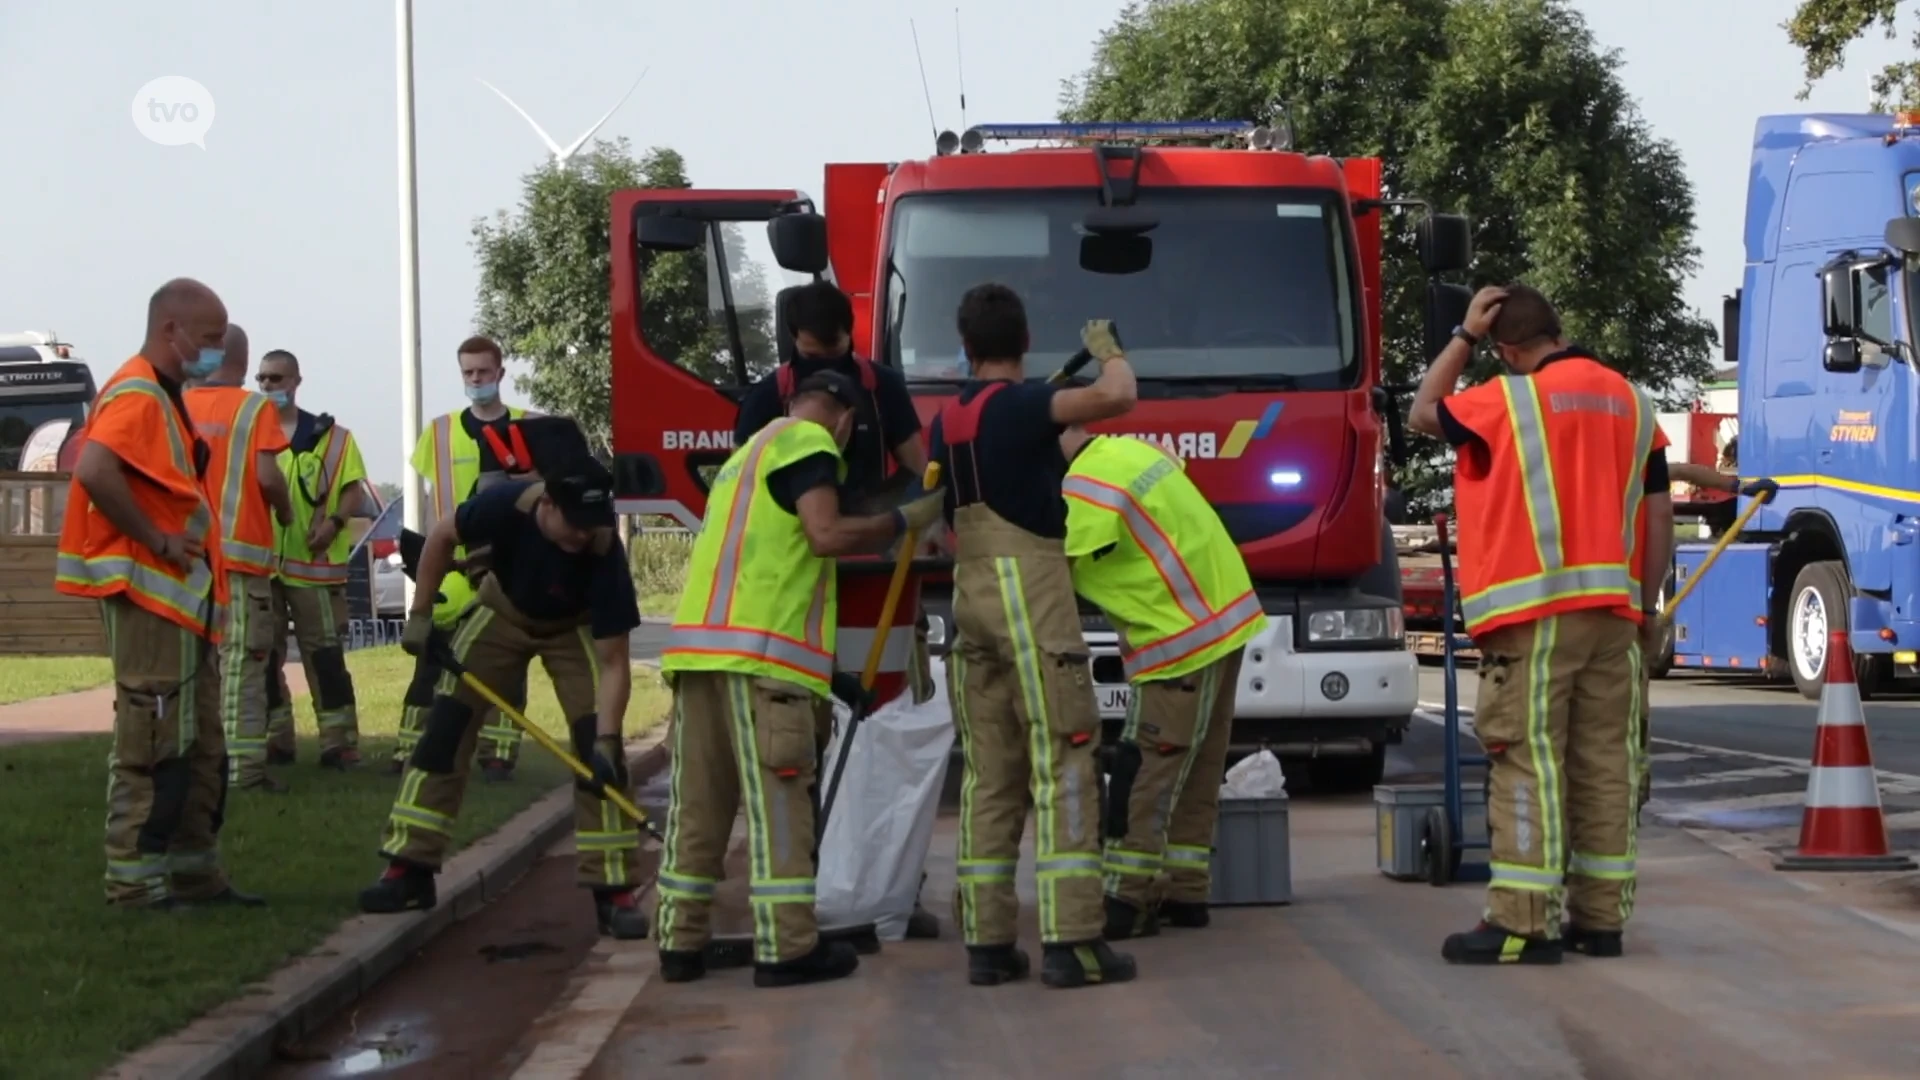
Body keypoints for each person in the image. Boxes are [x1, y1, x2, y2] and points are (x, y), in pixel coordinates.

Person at [1407, 283, 1674, 965]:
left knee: (1527, 761)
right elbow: (1657, 517)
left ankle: (1523, 921)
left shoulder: (1506, 399)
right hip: (1614, 616)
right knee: (1605, 765)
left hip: (1533, 618)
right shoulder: (1632, 402)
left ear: (1506, 348)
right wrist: (1647, 612)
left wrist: (1461, 337)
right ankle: (1600, 921)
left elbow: (1421, 412)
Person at [654, 371, 945, 988]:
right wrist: (899, 523)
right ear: (843, 420)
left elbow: (763, 570)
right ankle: (787, 949)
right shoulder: (809, 445)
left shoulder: (742, 460)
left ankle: (680, 943)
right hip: (764, 670)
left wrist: (835, 677)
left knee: (698, 809)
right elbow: (825, 535)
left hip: (702, 658)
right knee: (780, 806)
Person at [926, 284, 1139, 989]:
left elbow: (1044, 449)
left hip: (971, 595)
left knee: (992, 776)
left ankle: (988, 944)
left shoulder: (948, 420)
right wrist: (1108, 351)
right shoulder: (1021, 405)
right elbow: (1117, 398)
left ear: (967, 344)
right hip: (1030, 593)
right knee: (1067, 758)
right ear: (1021, 344)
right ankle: (1072, 939)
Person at [362, 452, 654, 938]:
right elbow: (440, 536)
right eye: (575, 524)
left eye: (592, 524)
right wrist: (419, 617)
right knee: (446, 729)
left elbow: (614, 663)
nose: (584, 535)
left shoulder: (602, 549)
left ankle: (615, 890)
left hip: (570, 628)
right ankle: (408, 868)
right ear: (548, 506)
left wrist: (606, 738)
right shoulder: (505, 506)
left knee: (598, 751)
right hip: (502, 612)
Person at [733, 279, 946, 938]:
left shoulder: (880, 385)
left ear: (850, 335)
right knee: (804, 743)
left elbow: (920, 463)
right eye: (809, 354)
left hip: (878, 580)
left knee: (884, 724)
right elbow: (747, 485)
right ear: (791, 344)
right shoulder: (770, 397)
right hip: (806, 583)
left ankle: (891, 885)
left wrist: (922, 515)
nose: (824, 369)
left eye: (832, 351)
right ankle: (820, 884)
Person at [57, 278, 263, 910]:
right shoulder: (141, 393)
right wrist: (156, 538)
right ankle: (135, 883)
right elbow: (94, 470)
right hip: (151, 598)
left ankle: (195, 875)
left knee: (201, 743)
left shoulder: (164, 394)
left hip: (180, 603)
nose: (214, 351)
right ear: (170, 330)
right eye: (206, 339)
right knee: (154, 741)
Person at [1055, 425, 1263, 941]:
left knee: (1145, 767)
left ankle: (1127, 896)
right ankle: (1186, 890)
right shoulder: (1129, 450)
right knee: (1199, 765)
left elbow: (1050, 574)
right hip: (1226, 619)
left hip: (1179, 642)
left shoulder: (1081, 488)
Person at [394, 335, 539, 779]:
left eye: (483, 371)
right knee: (430, 665)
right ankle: (409, 752)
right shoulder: (438, 432)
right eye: (468, 373)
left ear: (500, 372)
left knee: (506, 666)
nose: (475, 380)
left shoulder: (531, 427)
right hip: (451, 567)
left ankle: (497, 754)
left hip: (509, 564)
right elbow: (431, 497)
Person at [184, 324, 296, 793]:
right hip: (240, 561)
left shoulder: (178, 405)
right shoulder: (253, 408)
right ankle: (243, 770)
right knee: (242, 667)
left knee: (191, 666)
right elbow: (269, 478)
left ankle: (187, 765)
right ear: (246, 363)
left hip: (185, 562)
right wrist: (286, 512)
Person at [258, 349, 372, 770]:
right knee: (263, 657)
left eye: (277, 378)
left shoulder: (333, 437)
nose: (270, 386)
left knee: (324, 658)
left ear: (296, 381)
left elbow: (353, 490)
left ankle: (339, 741)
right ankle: (277, 739)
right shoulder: (251, 433)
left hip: (315, 570)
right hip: (262, 568)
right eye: (263, 379)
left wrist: (335, 523)